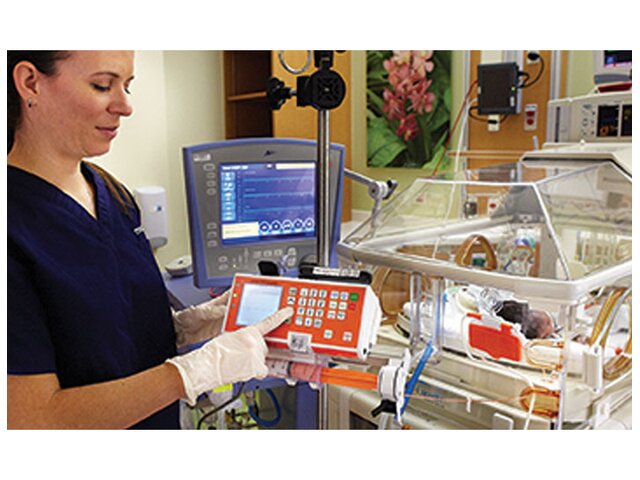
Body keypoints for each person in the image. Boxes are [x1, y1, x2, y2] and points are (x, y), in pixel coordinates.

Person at [7, 50, 293, 429]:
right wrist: (191, 373)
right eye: (102, 85)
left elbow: (106, 336)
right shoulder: (13, 224)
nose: (125, 106)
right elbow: (34, 421)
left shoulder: (113, 195)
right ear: (30, 82)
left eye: (127, 86)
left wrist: (186, 327)